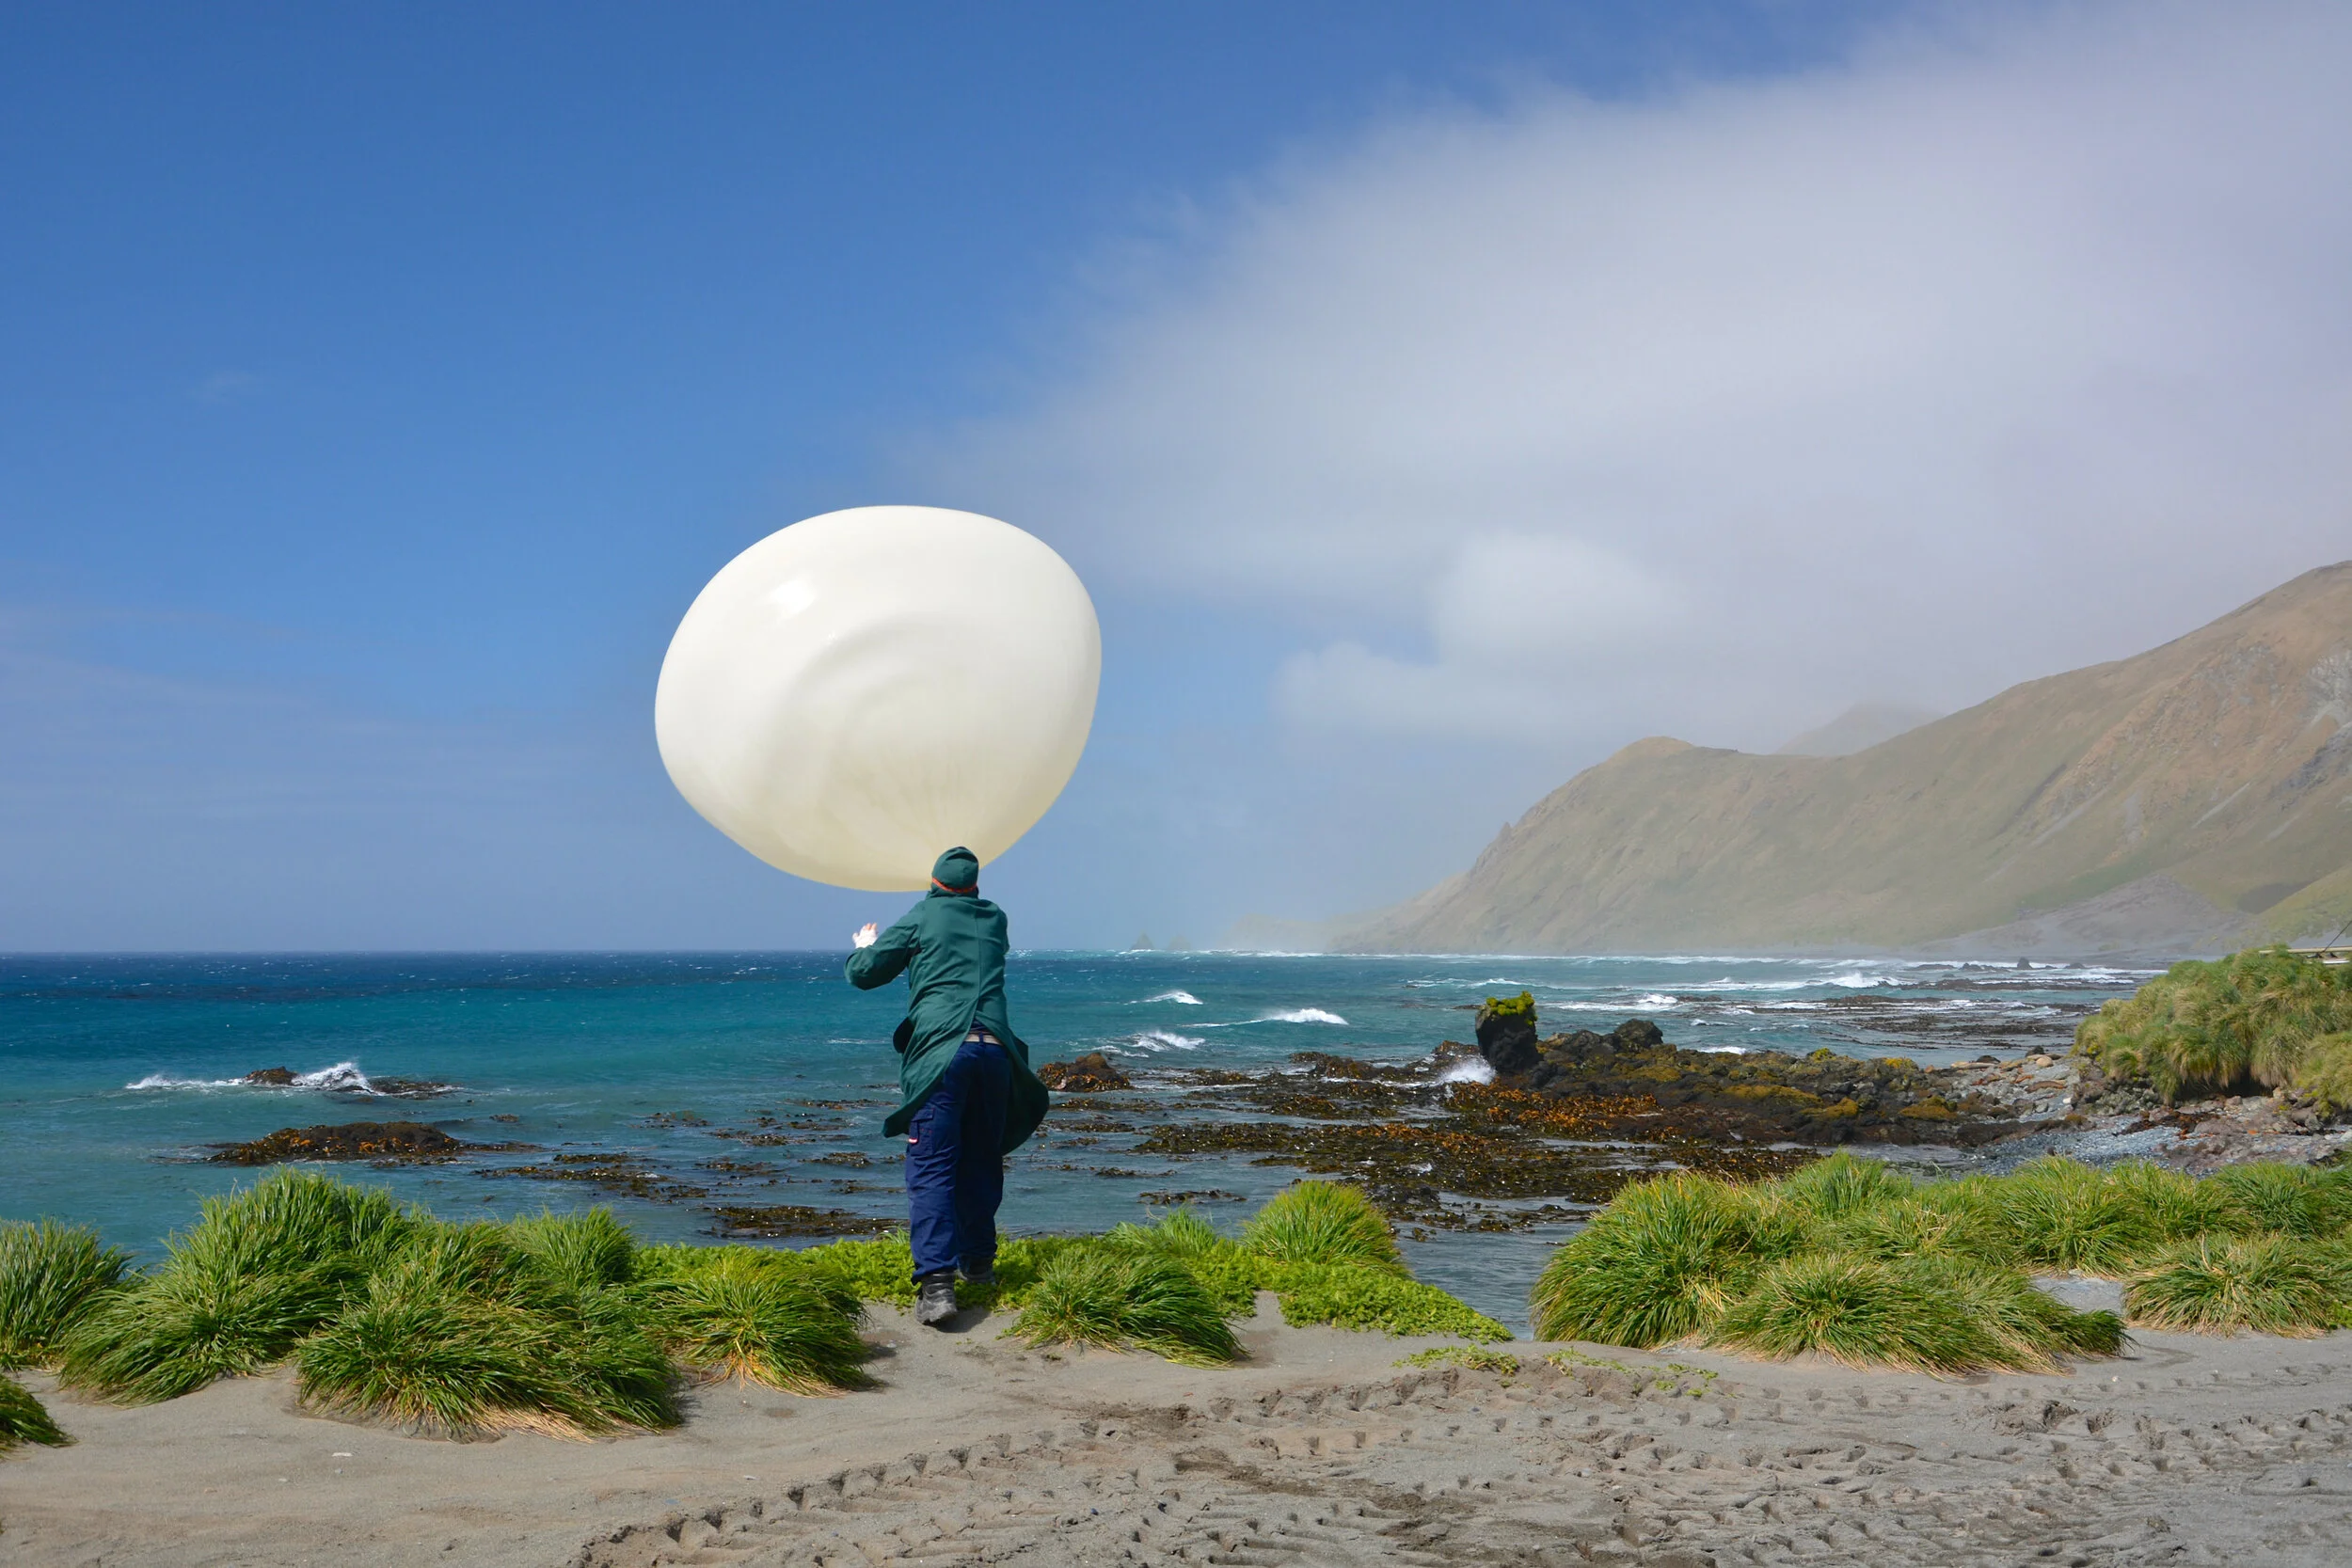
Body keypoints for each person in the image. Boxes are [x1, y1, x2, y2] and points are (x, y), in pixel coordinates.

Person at [845, 846, 1051, 1326]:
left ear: (934, 883)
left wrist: (864, 943)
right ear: (975, 886)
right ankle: (978, 1264)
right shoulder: (996, 918)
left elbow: (864, 974)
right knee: (981, 1158)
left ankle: (937, 1286)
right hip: (995, 1051)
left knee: (933, 1166)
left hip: (945, 1053)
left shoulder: (923, 915)